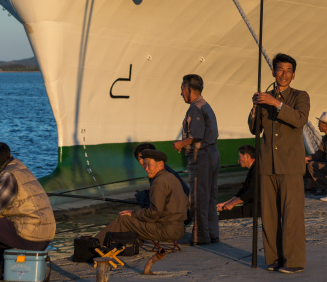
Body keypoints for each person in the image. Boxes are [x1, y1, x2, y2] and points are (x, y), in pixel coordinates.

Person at [248, 52, 310, 274]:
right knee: (270, 216)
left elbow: (299, 120)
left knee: (292, 214)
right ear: (273, 71)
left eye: (288, 70)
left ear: (293, 75)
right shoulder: (264, 98)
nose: (284, 74)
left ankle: (294, 260)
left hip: (290, 166)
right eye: (280, 69)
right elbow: (255, 129)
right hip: (267, 164)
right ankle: (273, 258)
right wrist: (255, 108)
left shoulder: (300, 96)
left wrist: (276, 103)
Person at [0, 142, 56, 282]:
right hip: (44, 236)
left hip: (30, 237)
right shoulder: (20, 167)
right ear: (10, 155)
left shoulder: (8, 175)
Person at [97, 150, 188, 247]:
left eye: (149, 165)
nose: (146, 169)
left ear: (160, 164)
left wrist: (133, 213)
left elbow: (155, 213)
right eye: (145, 165)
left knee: (124, 219)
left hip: (166, 230)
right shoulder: (171, 177)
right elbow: (186, 202)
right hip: (179, 228)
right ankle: (128, 244)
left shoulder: (158, 182)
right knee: (138, 216)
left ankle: (94, 244)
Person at [173, 74, 220, 246]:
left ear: (189, 90)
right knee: (210, 197)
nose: (181, 93)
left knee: (198, 199)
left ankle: (201, 237)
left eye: (182, 89)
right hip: (213, 153)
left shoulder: (195, 108)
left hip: (202, 156)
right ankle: (212, 233)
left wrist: (180, 144)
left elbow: (197, 135)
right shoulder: (206, 105)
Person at [217, 145, 258, 219]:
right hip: (250, 206)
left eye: (240, 156)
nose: (238, 160)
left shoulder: (256, 170)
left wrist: (232, 204)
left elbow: (250, 193)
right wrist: (226, 203)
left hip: (255, 209)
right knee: (221, 214)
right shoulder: (253, 169)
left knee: (221, 215)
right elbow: (242, 191)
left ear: (247, 156)